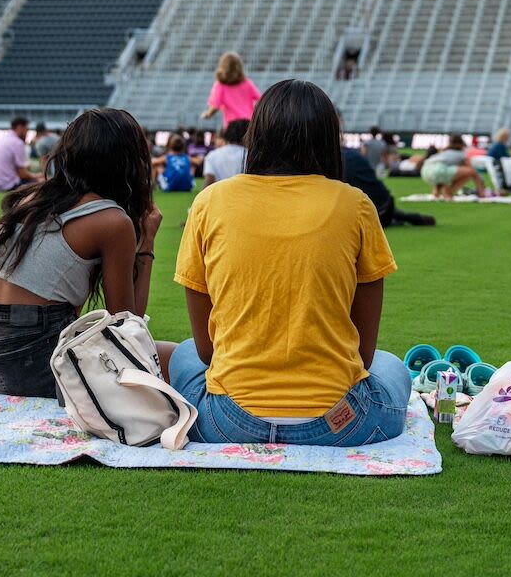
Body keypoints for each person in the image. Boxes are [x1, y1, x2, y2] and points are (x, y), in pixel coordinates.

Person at [170, 79, 407, 446]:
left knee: (185, 353)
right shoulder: (355, 205)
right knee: (391, 365)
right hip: (340, 423)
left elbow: (206, 351)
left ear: (258, 134)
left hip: (229, 421)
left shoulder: (209, 202)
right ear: (328, 139)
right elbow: (364, 353)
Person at [0, 108, 166, 397]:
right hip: (27, 361)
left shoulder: (31, 197)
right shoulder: (111, 220)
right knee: (172, 360)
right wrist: (146, 242)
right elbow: (127, 324)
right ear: (127, 161)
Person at [341, 144, 435, 227]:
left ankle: (402, 218)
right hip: (386, 204)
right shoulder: (354, 155)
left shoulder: (335, 160)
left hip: (369, 214)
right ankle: (405, 217)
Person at [199, 51, 260, 126]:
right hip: (248, 122)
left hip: (232, 124)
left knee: (222, 137)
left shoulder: (220, 85)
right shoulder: (247, 83)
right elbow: (259, 99)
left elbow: (215, 106)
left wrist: (207, 114)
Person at [0, 117, 39, 193]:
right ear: (20, 127)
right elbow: (23, 174)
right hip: (7, 186)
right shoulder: (17, 143)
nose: (27, 133)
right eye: (26, 129)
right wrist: (37, 176)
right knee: (43, 183)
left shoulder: (0, 140)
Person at [420, 135, 484, 199]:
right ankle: (481, 193)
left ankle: (436, 194)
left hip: (425, 171)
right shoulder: (461, 153)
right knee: (471, 172)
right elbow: (471, 170)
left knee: (443, 177)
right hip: (439, 170)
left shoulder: (444, 151)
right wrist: (481, 183)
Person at [202, 118, 249, 186]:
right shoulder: (251, 156)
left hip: (220, 195)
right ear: (247, 135)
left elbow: (208, 182)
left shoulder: (212, 155)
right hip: (243, 195)